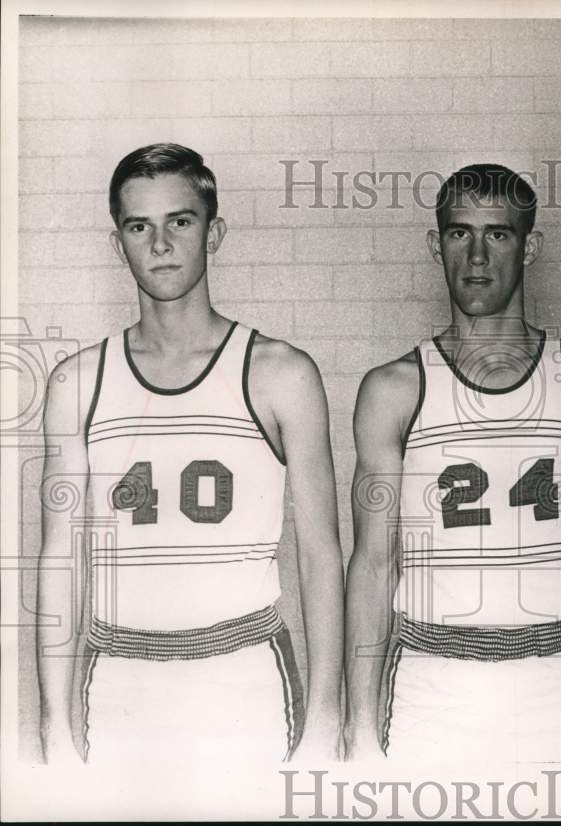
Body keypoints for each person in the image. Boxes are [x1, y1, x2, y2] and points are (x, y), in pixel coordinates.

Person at [36, 143, 344, 766]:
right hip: (121, 678)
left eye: (180, 221)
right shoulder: (78, 383)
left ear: (214, 231)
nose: (160, 244)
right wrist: (53, 725)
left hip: (246, 676)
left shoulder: (279, 374)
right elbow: (59, 561)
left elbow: (320, 554)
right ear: (116, 242)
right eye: (138, 226)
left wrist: (326, 717)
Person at [345, 164, 561, 762]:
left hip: (558, 681)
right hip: (431, 686)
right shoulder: (394, 389)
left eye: (498, 234)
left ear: (529, 246)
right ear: (437, 244)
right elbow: (374, 565)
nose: (477, 255)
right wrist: (358, 725)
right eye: (460, 234)